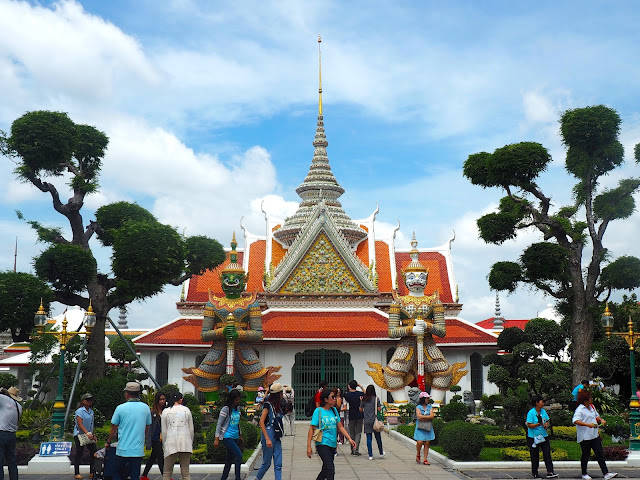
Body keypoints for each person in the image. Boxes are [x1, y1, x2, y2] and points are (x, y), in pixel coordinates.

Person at [106, 382, 152, 480]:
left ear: (127, 394)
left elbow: (113, 428)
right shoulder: (146, 408)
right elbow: (147, 428)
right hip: (137, 450)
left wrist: (108, 442)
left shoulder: (120, 408)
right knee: (135, 475)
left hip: (122, 449)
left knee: (116, 472)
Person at [307, 388, 356, 480]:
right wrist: (309, 446)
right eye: (333, 397)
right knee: (330, 469)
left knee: (325, 469)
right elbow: (311, 429)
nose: (335, 399)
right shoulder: (318, 411)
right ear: (326, 399)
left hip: (332, 444)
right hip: (322, 443)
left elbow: (340, 427)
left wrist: (349, 438)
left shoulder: (334, 411)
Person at [573, 390, 617, 480]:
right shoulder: (580, 409)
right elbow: (575, 420)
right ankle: (584, 473)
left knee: (599, 453)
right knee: (586, 454)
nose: (592, 399)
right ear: (585, 399)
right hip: (585, 436)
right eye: (590, 397)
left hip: (594, 435)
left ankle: (606, 473)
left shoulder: (592, 407)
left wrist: (601, 420)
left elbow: (596, 416)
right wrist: (587, 424)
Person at [161, 392, 194, 480]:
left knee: (167, 473)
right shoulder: (186, 410)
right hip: (185, 442)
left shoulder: (165, 411)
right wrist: (190, 442)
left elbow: (164, 431)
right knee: (185, 473)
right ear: (181, 399)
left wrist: (165, 444)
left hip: (171, 442)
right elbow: (191, 429)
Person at [525, 395, 558, 479]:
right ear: (536, 403)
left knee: (547, 453)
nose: (543, 403)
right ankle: (535, 472)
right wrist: (538, 424)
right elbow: (529, 425)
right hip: (533, 437)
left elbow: (547, 420)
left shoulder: (543, 411)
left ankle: (550, 471)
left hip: (543, 435)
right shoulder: (531, 413)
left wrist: (546, 424)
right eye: (541, 401)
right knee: (535, 455)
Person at [256, 383, 284, 480]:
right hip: (269, 433)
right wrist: (267, 439)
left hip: (276, 434)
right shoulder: (268, 405)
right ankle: (257, 478)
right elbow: (261, 422)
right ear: (278, 394)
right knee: (267, 463)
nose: (283, 395)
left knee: (278, 463)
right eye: (281, 393)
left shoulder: (278, 406)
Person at [214, 389, 243, 480]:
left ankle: (223, 478)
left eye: (239, 400)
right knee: (238, 456)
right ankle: (237, 478)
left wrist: (240, 435)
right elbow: (219, 423)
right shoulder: (225, 409)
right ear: (232, 399)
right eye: (236, 400)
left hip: (235, 436)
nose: (238, 402)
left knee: (229, 459)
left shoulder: (237, 409)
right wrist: (217, 437)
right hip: (227, 436)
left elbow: (237, 423)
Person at [141, 392, 166, 480]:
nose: (162, 401)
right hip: (155, 438)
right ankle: (165, 476)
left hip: (162, 437)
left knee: (153, 457)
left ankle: (144, 475)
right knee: (160, 457)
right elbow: (149, 427)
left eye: (164, 399)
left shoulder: (165, 411)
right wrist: (148, 440)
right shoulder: (153, 412)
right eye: (161, 399)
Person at [0, 386, 22, 480]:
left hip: (2, 433)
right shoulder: (19, 407)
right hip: (12, 435)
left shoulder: (4, 399)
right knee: (11, 461)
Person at [74, 393, 98, 479]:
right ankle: (76, 472)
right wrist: (87, 433)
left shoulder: (91, 411)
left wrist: (93, 434)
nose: (90, 401)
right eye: (88, 400)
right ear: (83, 401)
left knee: (94, 452)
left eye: (91, 400)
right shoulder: (80, 411)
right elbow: (80, 424)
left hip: (89, 434)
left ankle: (92, 471)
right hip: (80, 434)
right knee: (79, 453)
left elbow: (92, 424)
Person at [360, 385, 384, 460]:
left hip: (367, 420)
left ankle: (370, 455)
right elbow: (379, 409)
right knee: (378, 437)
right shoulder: (376, 399)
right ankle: (381, 452)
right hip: (374, 420)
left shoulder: (364, 399)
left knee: (369, 438)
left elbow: (360, 410)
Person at [413, 391, 435, 465]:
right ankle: (418, 453)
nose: (427, 400)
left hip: (428, 427)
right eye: (426, 398)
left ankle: (425, 458)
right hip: (420, 427)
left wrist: (424, 417)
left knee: (427, 443)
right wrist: (427, 417)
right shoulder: (418, 407)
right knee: (420, 442)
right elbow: (419, 416)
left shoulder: (430, 407)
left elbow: (432, 416)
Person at [344, 380, 364, 456]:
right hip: (359, 414)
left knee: (352, 433)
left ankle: (352, 449)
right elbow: (366, 393)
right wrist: (361, 386)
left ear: (349, 386)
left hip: (351, 415)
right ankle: (356, 449)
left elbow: (346, 397)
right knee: (358, 433)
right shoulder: (360, 394)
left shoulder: (347, 395)